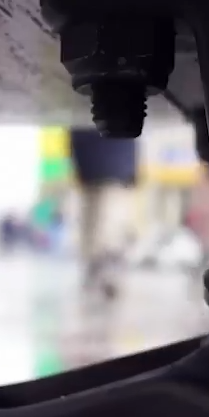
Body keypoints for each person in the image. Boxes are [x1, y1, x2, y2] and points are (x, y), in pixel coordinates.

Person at [68, 126, 139, 297]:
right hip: (108, 170)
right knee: (101, 219)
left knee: (100, 219)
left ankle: (101, 263)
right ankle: (102, 263)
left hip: (105, 170)